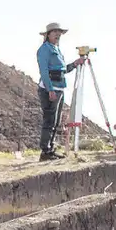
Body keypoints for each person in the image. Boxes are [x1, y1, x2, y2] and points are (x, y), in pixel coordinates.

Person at [36, 22, 87, 161]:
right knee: (49, 120)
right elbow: (44, 71)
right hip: (50, 90)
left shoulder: (56, 49)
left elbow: (62, 70)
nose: (58, 35)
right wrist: (50, 89)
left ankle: (50, 148)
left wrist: (75, 64)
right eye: (54, 32)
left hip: (59, 88)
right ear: (48, 35)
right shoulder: (44, 50)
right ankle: (45, 151)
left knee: (56, 121)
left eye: (59, 32)